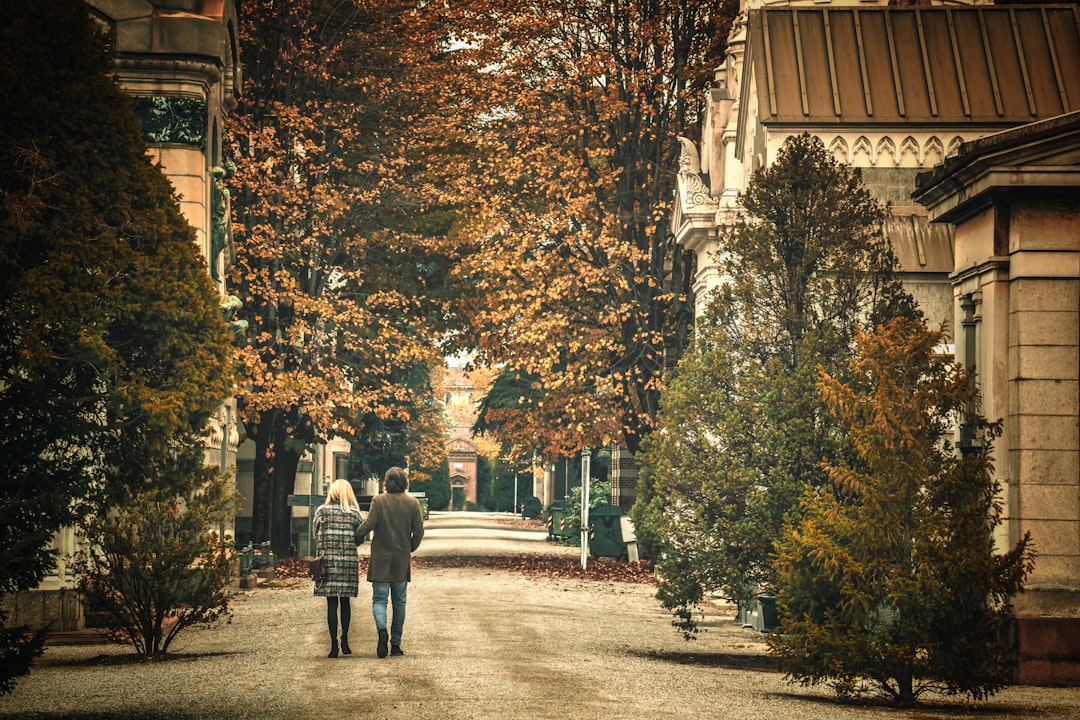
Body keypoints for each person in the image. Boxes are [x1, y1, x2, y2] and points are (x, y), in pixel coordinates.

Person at [354, 466, 425, 658]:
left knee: (379, 599)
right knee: (400, 602)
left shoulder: (378, 500)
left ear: (386, 482)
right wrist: (409, 547)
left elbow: (368, 524)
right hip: (401, 558)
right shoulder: (413, 503)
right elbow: (419, 530)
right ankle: (396, 644)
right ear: (405, 482)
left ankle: (381, 630)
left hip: (381, 558)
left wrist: (356, 535)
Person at [313, 478, 363, 658]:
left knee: (331, 603)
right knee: (346, 602)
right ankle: (345, 640)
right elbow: (360, 537)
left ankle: (333, 645)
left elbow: (316, 535)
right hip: (348, 563)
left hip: (328, 563)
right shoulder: (355, 514)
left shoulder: (321, 512)